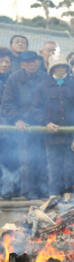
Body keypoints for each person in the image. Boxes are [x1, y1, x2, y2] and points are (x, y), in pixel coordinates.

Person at [1, 51, 48, 199]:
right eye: (27, 62)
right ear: (22, 64)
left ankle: (44, 191)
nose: (32, 64)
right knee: (26, 160)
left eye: (34, 61)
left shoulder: (45, 78)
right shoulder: (14, 79)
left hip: (41, 126)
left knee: (43, 159)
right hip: (23, 127)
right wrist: (16, 119)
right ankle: (28, 193)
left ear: (39, 62)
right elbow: (7, 103)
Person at [33, 54, 74, 196]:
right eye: (57, 67)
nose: (60, 70)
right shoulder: (42, 86)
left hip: (70, 134)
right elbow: (36, 108)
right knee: (53, 167)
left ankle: (69, 195)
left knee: (70, 166)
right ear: (52, 69)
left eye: (63, 67)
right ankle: (54, 195)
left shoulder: (73, 85)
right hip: (51, 136)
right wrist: (46, 122)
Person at [0, 47, 19, 199]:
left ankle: (7, 189)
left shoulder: (14, 79)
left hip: (10, 128)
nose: (4, 64)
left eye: (7, 61)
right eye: (1, 61)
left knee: (9, 159)